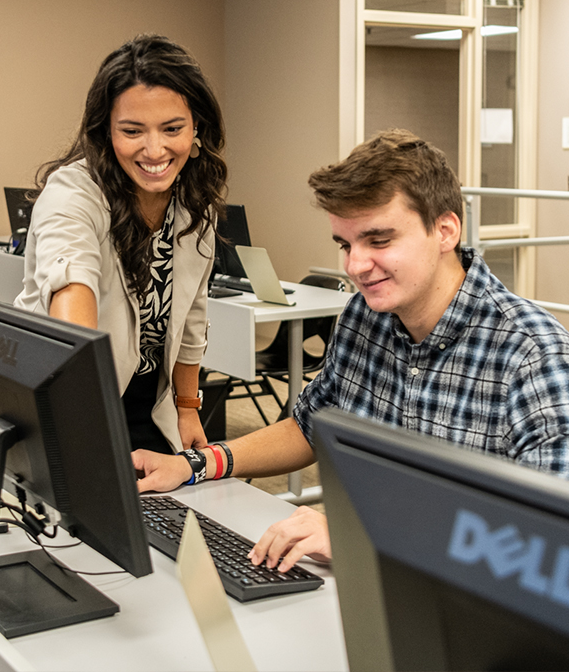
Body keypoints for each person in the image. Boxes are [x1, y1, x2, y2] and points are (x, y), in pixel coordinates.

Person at [131, 128, 569, 572]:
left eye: (379, 240)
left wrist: (366, 534)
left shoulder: (534, 357)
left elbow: (553, 542)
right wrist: (195, 465)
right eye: (346, 244)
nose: (355, 266)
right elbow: (309, 427)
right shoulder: (365, 316)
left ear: (445, 231)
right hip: (368, 578)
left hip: (464, 597)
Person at [14, 34, 227, 454]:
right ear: (106, 132)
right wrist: (86, 423)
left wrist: (187, 409)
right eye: (132, 131)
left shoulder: (192, 202)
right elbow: (71, 288)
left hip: (152, 403)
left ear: (196, 127)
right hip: (72, 395)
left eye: (172, 129)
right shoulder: (73, 194)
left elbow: (192, 316)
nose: (155, 150)